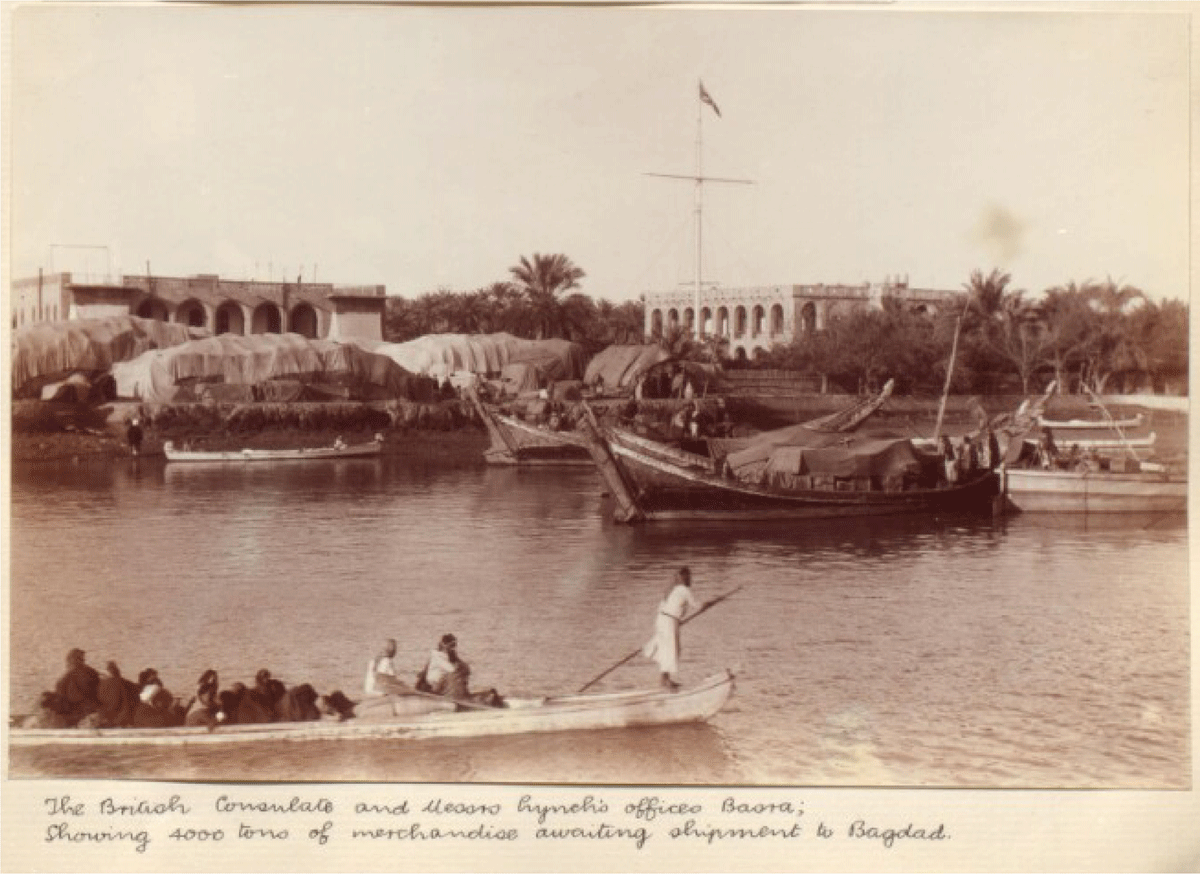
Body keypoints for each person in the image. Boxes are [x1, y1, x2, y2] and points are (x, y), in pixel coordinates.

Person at [643, 567, 699, 691]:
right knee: (671, 650)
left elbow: (664, 605)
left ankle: (665, 679)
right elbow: (696, 605)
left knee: (667, 649)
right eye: (688, 576)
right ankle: (665, 681)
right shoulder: (684, 590)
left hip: (663, 620)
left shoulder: (672, 590)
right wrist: (709, 603)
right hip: (669, 621)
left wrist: (675, 620)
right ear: (684, 578)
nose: (690, 579)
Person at [52, 648, 101, 726]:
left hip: (71, 717)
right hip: (89, 714)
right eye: (83, 659)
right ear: (80, 660)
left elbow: (60, 701)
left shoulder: (62, 680)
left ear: (70, 661)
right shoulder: (92, 673)